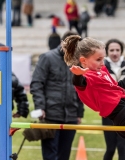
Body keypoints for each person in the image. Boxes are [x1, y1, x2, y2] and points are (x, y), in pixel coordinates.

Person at [30, 31, 84, 160]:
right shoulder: (47, 58)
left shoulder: (77, 62)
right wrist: (40, 107)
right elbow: (37, 83)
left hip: (71, 115)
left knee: (64, 155)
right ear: (62, 43)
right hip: (50, 114)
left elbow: (80, 88)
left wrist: (79, 112)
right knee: (50, 155)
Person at [0, 43, 29, 159]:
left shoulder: (10, 76)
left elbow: (21, 93)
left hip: (4, 120)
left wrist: (22, 110)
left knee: (2, 148)